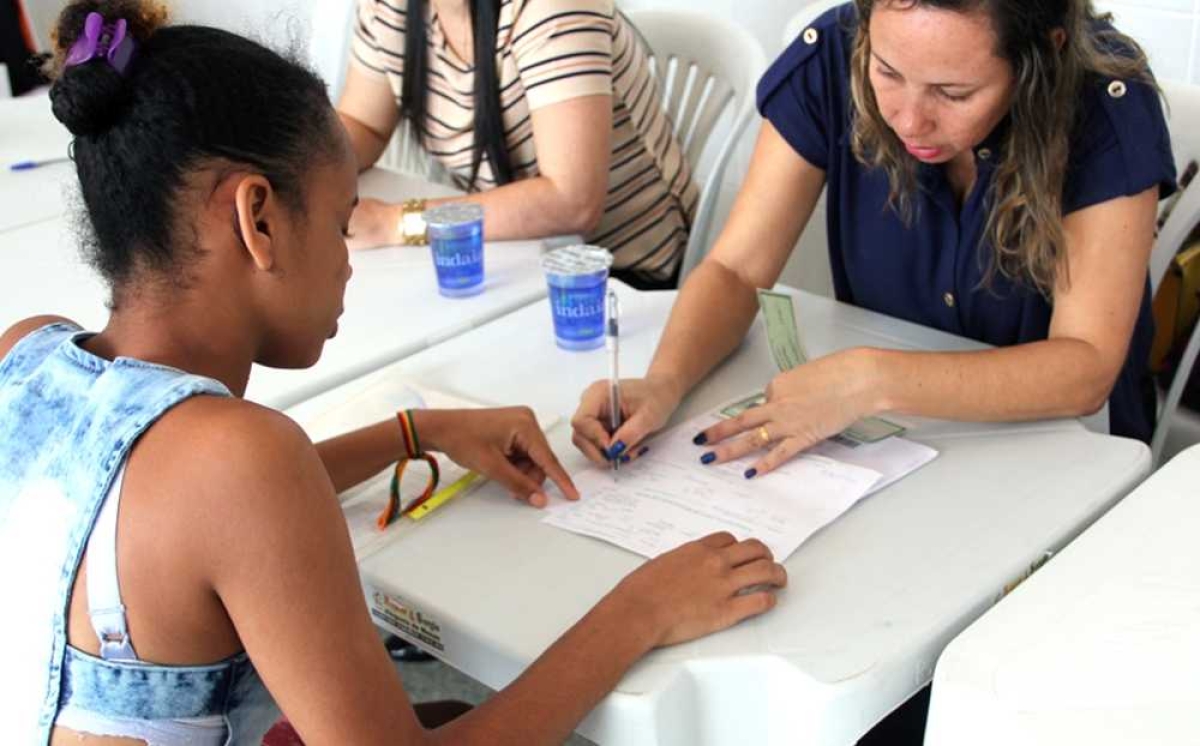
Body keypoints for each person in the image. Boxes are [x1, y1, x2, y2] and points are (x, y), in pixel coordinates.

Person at [0, 3, 787, 744]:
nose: (349, 260)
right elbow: (239, 502)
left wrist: (418, 432)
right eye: (342, 222)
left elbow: (199, 526)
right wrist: (640, 608)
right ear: (258, 219)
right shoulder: (241, 460)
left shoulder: (27, 350)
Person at [573, 0, 1176, 477]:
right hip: (885, 443)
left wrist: (870, 381)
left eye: (954, 93)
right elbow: (735, 267)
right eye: (887, 71)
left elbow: (1086, 367)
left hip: (1064, 452)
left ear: (1044, 55)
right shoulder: (834, 51)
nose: (908, 119)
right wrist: (664, 380)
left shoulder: (1104, 105)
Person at [337, 0, 699, 289]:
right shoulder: (388, 8)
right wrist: (300, 170)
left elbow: (572, 201)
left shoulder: (553, 7)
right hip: (514, 255)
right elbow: (365, 125)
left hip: (618, 280)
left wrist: (396, 223)